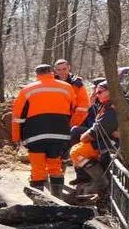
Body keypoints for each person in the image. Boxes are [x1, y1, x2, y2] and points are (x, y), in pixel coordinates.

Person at [11, 63, 76, 197]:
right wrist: (68, 127)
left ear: (37, 74)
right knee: (55, 167)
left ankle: (38, 203)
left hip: (35, 135)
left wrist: (16, 137)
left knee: (37, 169)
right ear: (52, 72)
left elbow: (17, 117)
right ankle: (57, 200)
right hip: (60, 134)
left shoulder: (27, 90)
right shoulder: (67, 87)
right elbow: (73, 109)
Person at [69, 80, 119, 185]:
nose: (96, 94)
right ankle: (84, 176)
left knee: (76, 152)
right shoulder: (105, 103)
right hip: (104, 135)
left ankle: (101, 182)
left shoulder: (112, 108)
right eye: (96, 92)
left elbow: (99, 129)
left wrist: (86, 136)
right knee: (75, 133)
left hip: (110, 141)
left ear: (110, 91)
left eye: (99, 92)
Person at [54, 58, 91, 130]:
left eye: (64, 69)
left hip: (71, 118)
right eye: (59, 70)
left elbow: (83, 107)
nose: (62, 72)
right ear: (55, 70)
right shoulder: (51, 83)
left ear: (69, 68)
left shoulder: (77, 84)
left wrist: (71, 125)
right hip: (54, 117)